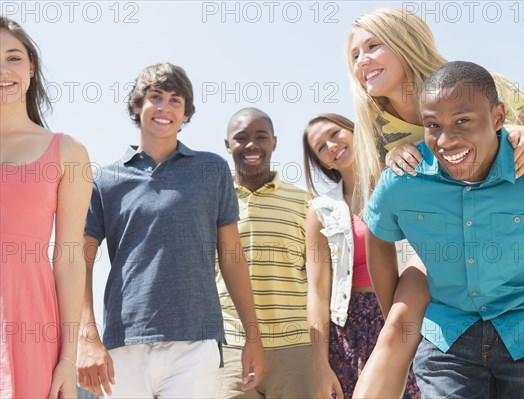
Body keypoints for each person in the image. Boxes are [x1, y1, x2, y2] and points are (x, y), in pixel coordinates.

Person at [347, 8, 524, 397]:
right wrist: (390, 159)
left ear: (404, 40)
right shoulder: (378, 128)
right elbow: (384, 217)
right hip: (445, 246)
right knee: (396, 328)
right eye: (354, 55)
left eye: (372, 45)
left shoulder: (484, 83)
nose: (362, 60)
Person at [77, 64, 265, 398]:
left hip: (196, 343)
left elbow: (232, 257)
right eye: (155, 98)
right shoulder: (106, 180)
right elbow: (80, 261)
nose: (165, 108)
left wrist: (253, 335)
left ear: (186, 114)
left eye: (175, 101)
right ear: (137, 106)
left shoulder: (212, 170)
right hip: (125, 344)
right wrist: (88, 336)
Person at [0, 17, 92, 398]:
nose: (3, 70)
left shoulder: (68, 152)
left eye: (14, 57)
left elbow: (70, 259)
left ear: (32, 67)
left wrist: (68, 359)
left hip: (29, 318)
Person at [302, 113, 420, 399]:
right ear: (322, 163)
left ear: (353, 131)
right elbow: (317, 292)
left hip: (410, 313)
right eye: (320, 147)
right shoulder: (320, 212)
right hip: (350, 330)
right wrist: (319, 365)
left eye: (334, 133)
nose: (331, 145)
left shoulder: (403, 179)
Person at [217, 107, 314, 399]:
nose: (251, 145)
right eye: (241, 137)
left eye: (260, 137)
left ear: (274, 142)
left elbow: (322, 277)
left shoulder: (304, 202)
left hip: (296, 349)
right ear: (227, 145)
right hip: (231, 347)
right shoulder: (213, 203)